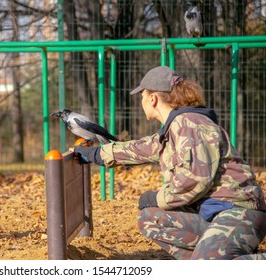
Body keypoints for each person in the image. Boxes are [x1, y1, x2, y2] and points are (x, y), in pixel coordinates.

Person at [73, 66, 266, 260]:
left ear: (152, 99)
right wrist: (96, 154)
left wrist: (156, 198)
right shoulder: (175, 128)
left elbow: (192, 182)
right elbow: (141, 148)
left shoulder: (189, 124)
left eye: (142, 96)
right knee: (150, 219)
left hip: (239, 213)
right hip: (215, 212)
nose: (141, 101)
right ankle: (215, 254)